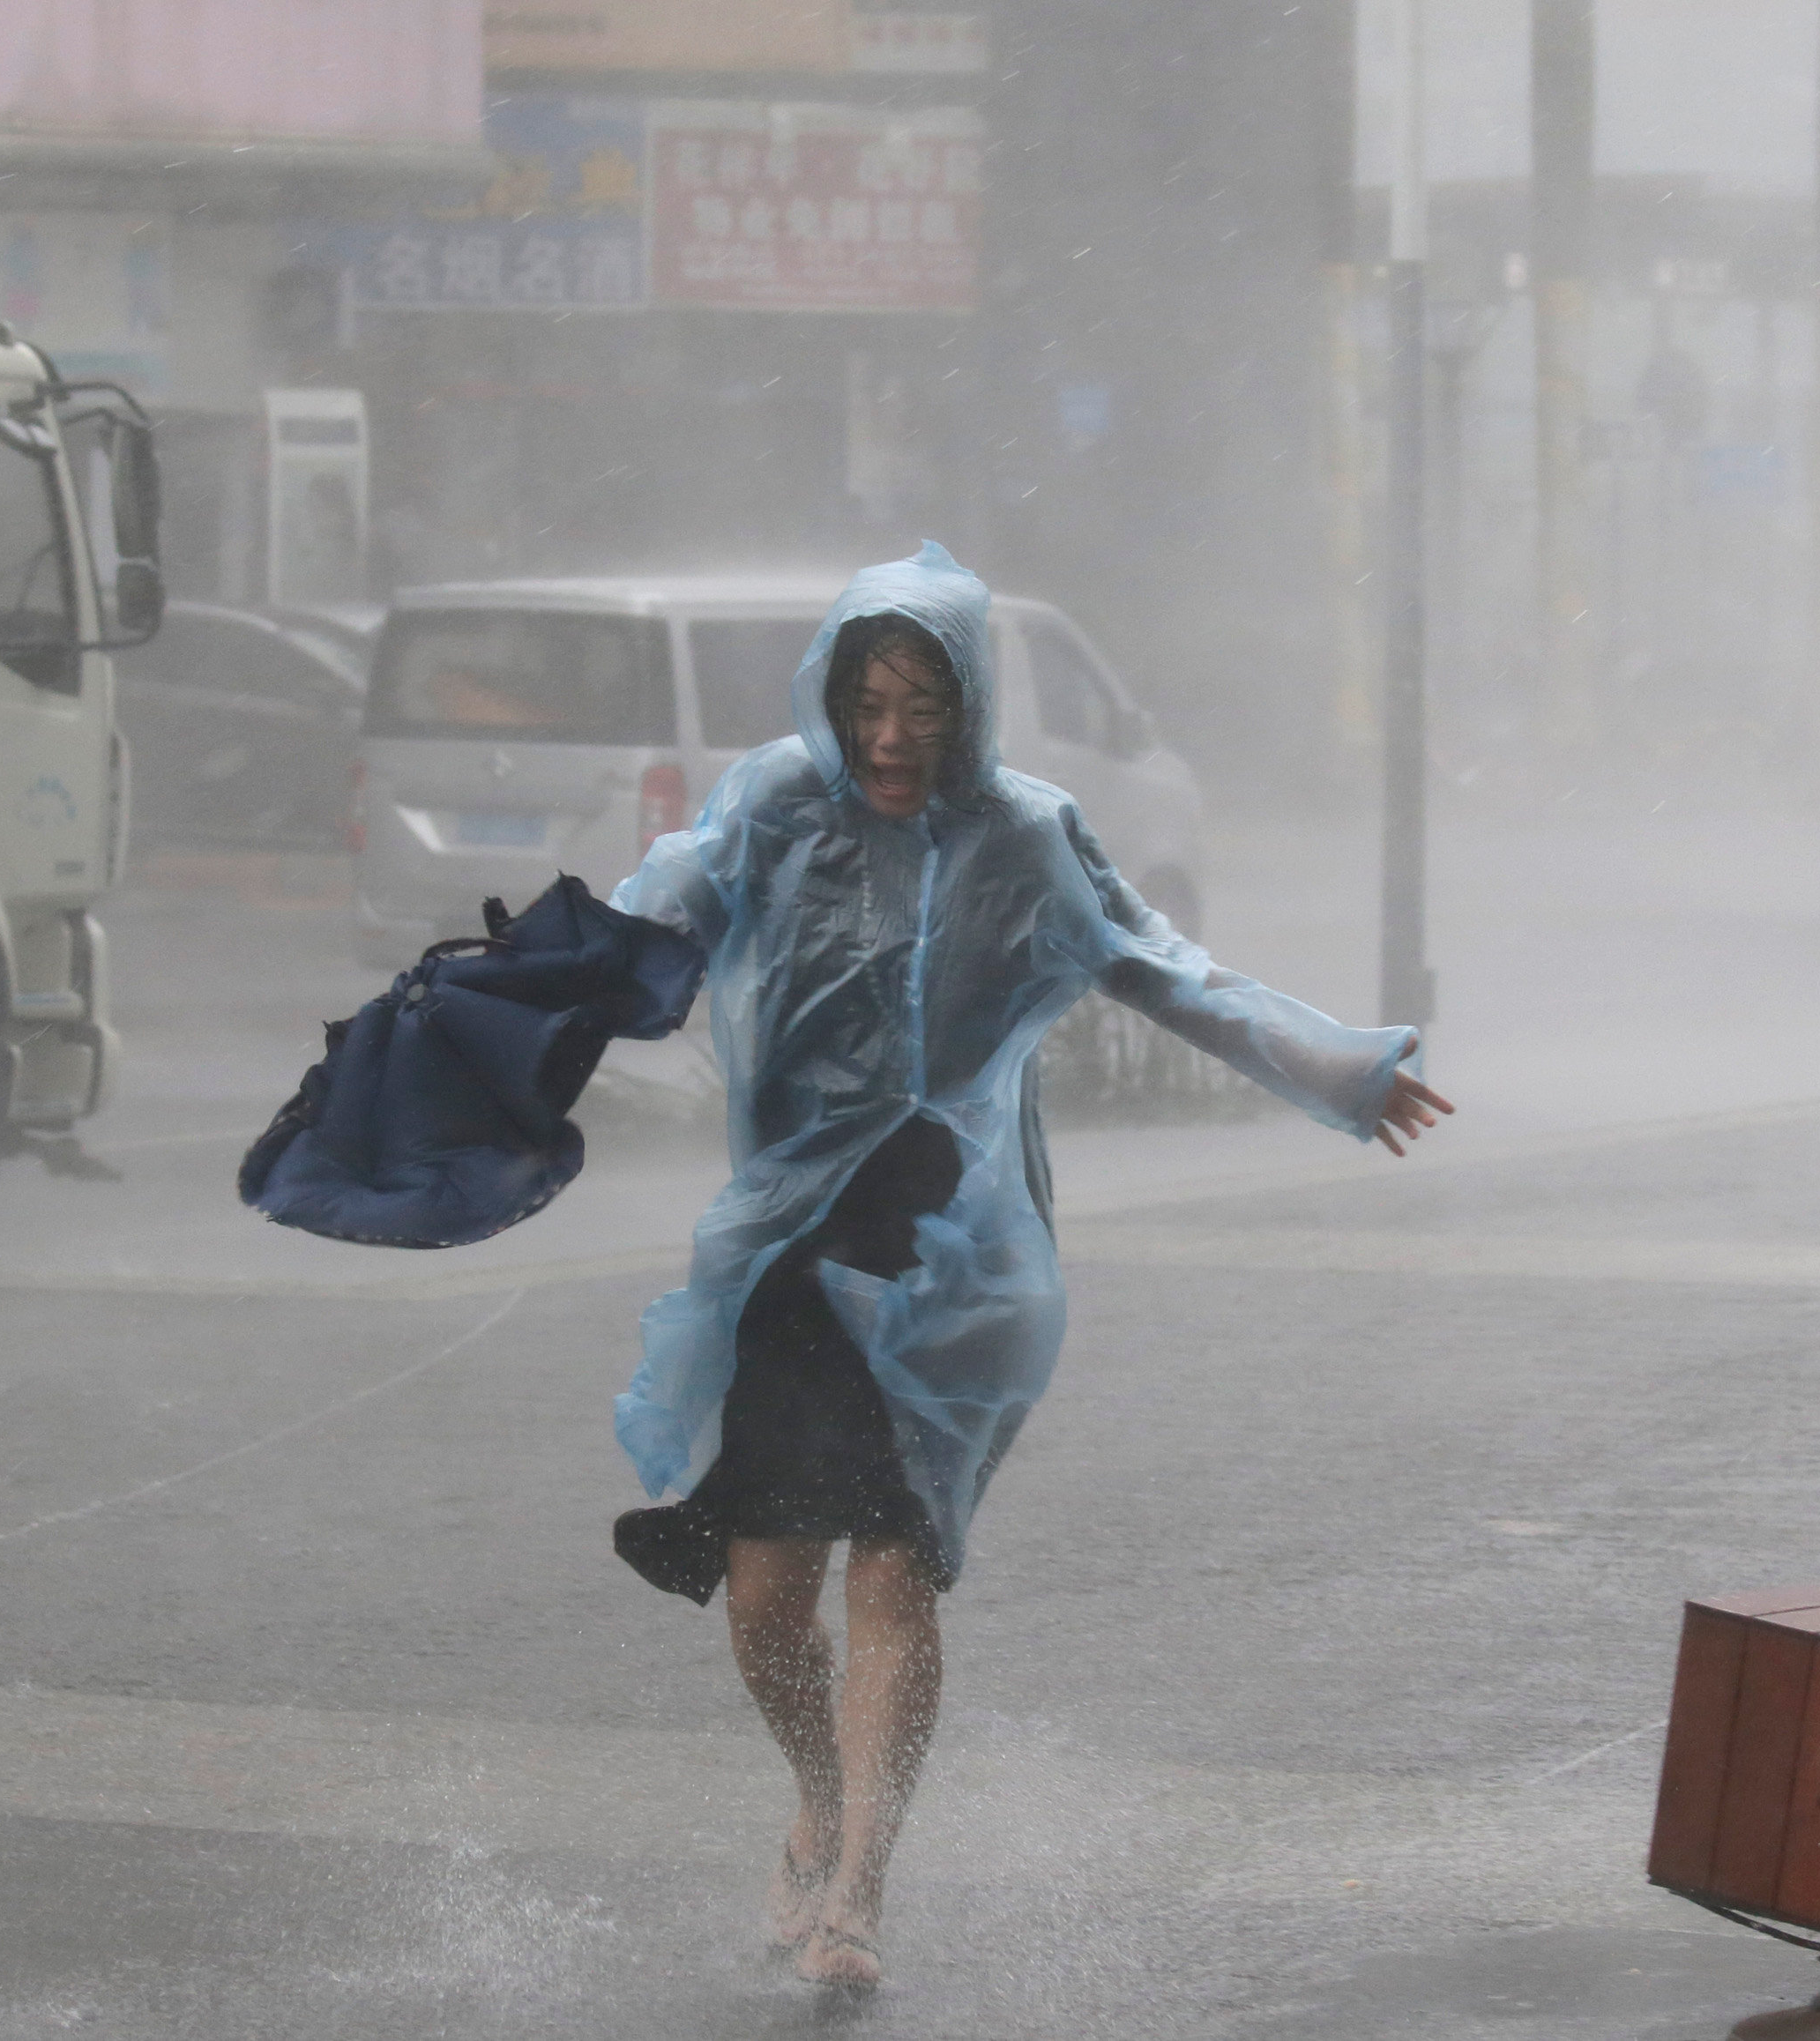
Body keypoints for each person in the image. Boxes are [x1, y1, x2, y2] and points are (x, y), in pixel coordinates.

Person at [604, 545, 1451, 1992]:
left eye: (921, 706)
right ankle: (818, 1794)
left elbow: (1165, 967)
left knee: (893, 1568)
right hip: (790, 1247)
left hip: (948, 1255)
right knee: (762, 1600)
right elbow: (647, 920)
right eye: (867, 701)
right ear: (832, 697)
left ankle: (860, 1889)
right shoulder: (773, 807)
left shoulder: (1027, 837)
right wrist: (486, 1017)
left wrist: (1341, 1068)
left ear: (969, 708)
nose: (888, 737)